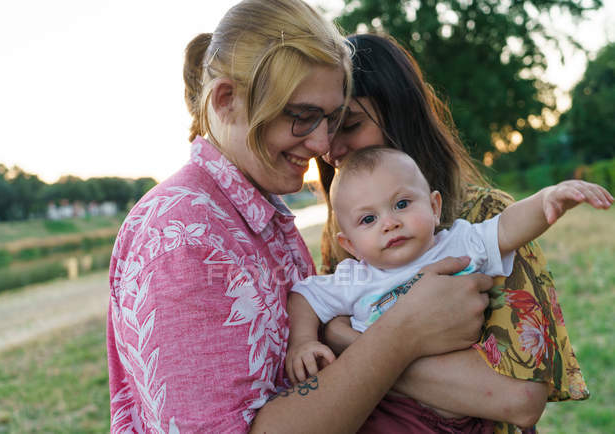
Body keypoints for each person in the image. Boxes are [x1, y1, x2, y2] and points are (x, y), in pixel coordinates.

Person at [106, 2, 495, 433]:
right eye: (303, 116)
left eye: (330, 120)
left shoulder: (256, 209)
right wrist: (401, 334)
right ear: (226, 100)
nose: (322, 144)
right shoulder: (181, 239)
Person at [316, 33, 591, 433]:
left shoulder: (485, 216)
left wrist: (349, 342)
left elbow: (520, 399)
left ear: (399, 114)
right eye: (325, 130)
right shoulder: (343, 241)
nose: (329, 148)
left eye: (351, 125)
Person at [288, 146, 612, 429]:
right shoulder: (355, 277)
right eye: (368, 220)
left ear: (434, 207)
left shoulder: (457, 243)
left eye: (402, 204)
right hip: (389, 413)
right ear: (350, 244)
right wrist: (302, 342)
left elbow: (507, 228)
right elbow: (305, 296)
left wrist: (547, 200)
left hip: (468, 413)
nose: (390, 222)